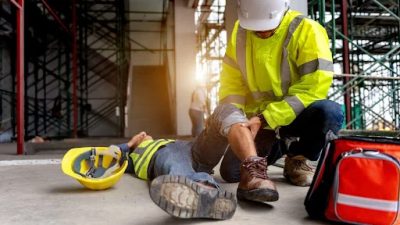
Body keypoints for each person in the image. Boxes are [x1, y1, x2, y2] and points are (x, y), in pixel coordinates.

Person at [190, 0, 344, 203]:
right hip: (257, 121)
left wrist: (266, 118)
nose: (262, 33)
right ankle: (279, 145)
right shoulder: (240, 32)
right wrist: (236, 122)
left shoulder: (307, 30)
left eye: (268, 28)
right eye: (256, 29)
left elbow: (313, 88)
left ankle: (298, 159)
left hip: (295, 115)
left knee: (330, 111)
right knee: (232, 173)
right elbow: (232, 85)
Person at [116, 131, 237, 220]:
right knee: (175, 160)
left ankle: (203, 192)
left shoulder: (162, 141)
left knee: (191, 162)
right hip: (168, 154)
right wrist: (129, 144)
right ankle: (206, 191)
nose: (143, 133)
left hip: (191, 151)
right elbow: (108, 155)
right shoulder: (133, 156)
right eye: (139, 135)